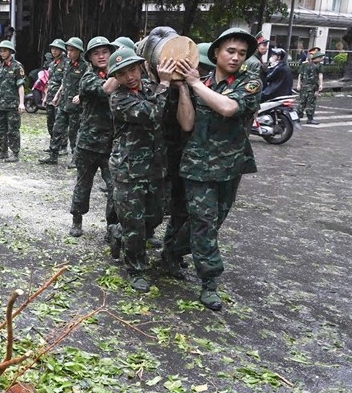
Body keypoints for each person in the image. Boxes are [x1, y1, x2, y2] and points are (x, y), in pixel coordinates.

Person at [179, 28, 261, 310]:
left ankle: (172, 251)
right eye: (230, 51)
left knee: (213, 220)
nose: (236, 57)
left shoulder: (250, 83)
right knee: (204, 221)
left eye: (241, 53)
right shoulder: (197, 83)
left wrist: (194, 84)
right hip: (198, 164)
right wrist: (183, 88)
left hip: (230, 165)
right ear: (215, 53)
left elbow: (228, 108)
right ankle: (209, 282)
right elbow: (187, 124)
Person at [102, 45, 172, 292]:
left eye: (133, 69)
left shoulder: (152, 89)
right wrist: (164, 84)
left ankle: (117, 229)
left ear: (141, 67)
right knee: (135, 223)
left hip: (155, 168)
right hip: (128, 169)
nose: (130, 76)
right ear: (116, 78)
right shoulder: (119, 98)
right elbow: (151, 112)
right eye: (122, 73)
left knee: (154, 216)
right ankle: (136, 269)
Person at [160, 43, 207, 277]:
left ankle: (171, 253)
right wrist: (170, 84)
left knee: (182, 210)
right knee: (157, 210)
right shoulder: (161, 85)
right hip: (164, 156)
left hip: (191, 159)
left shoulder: (207, 89)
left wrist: (186, 88)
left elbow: (189, 123)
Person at [67, 36, 114, 238]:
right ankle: (77, 219)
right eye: (96, 53)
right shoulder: (88, 77)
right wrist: (121, 72)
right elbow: (104, 90)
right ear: (90, 58)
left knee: (115, 187)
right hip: (88, 142)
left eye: (105, 52)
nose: (101, 56)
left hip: (112, 143)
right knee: (83, 184)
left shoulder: (120, 75)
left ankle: (112, 226)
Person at [40, 37, 87, 165]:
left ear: (79, 51)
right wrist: (57, 96)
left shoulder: (85, 66)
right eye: (68, 50)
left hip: (76, 107)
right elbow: (64, 82)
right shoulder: (66, 64)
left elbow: (86, 84)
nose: (70, 53)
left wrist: (81, 95)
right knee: (57, 129)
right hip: (63, 103)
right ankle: (53, 155)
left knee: (73, 133)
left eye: (72, 50)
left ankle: (75, 158)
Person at [0, 40, 26, 162]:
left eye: (4, 50)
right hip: (1, 105)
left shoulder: (17, 66)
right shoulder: (0, 67)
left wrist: (21, 103)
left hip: (13, 104)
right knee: (1, 129)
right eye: (0, 51)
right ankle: (3, 151)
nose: (2, 53)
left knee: (13, 129)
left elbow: (20, 85)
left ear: (10, 51)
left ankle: (15, 152)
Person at [43, 39, 68, 144]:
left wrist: (57, 96)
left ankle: (62, 145)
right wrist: (45, 97)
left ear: (62, 50)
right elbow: (49, 81)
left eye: (56, 49)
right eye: (52, 48)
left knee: (60, 122)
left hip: (60, 98)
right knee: (50, 122)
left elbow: (65, 81)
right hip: (50, 96)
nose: (54, 51)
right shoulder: (52, 64)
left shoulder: (66, 63)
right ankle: (53, 144)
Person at [296, 51, 324, 124]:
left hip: (309, 86)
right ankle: (304, 117)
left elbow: (319, 75)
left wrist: (320, 85)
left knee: (307, 102)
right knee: (306, 102)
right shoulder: (309, 66)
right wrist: (298, 84)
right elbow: (302, 75)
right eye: (320, 57)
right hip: (308, 86)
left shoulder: (316, 65)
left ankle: (304, 117)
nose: (321, 59)